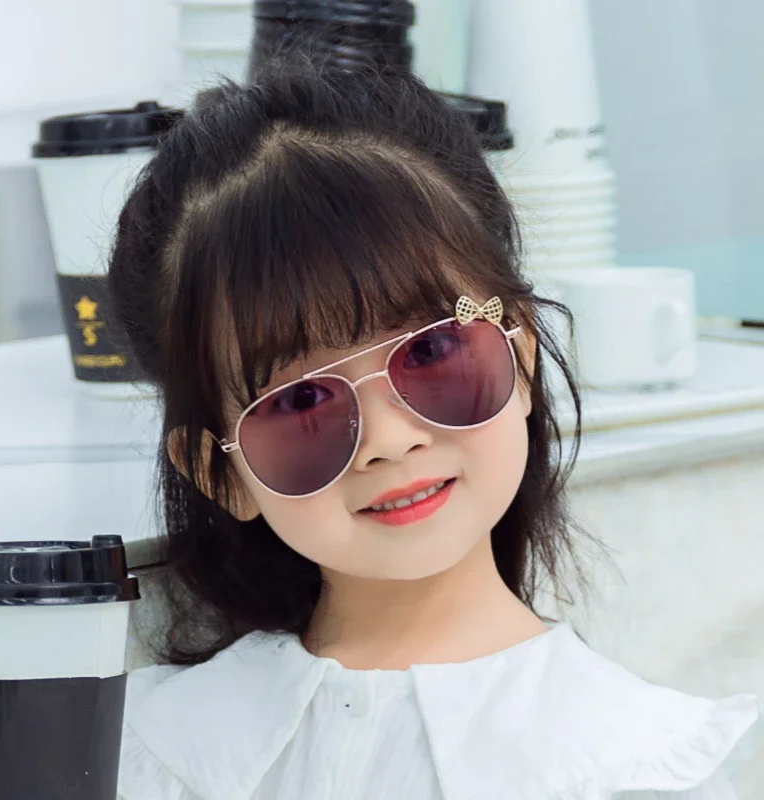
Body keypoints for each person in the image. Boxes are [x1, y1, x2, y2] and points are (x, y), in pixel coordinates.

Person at [109, 58, 761, 799]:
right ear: (218, 471)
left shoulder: (636, 767)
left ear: (521, 355)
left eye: (432, 353)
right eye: (300, 402)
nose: (390, 440)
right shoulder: (154, 750)